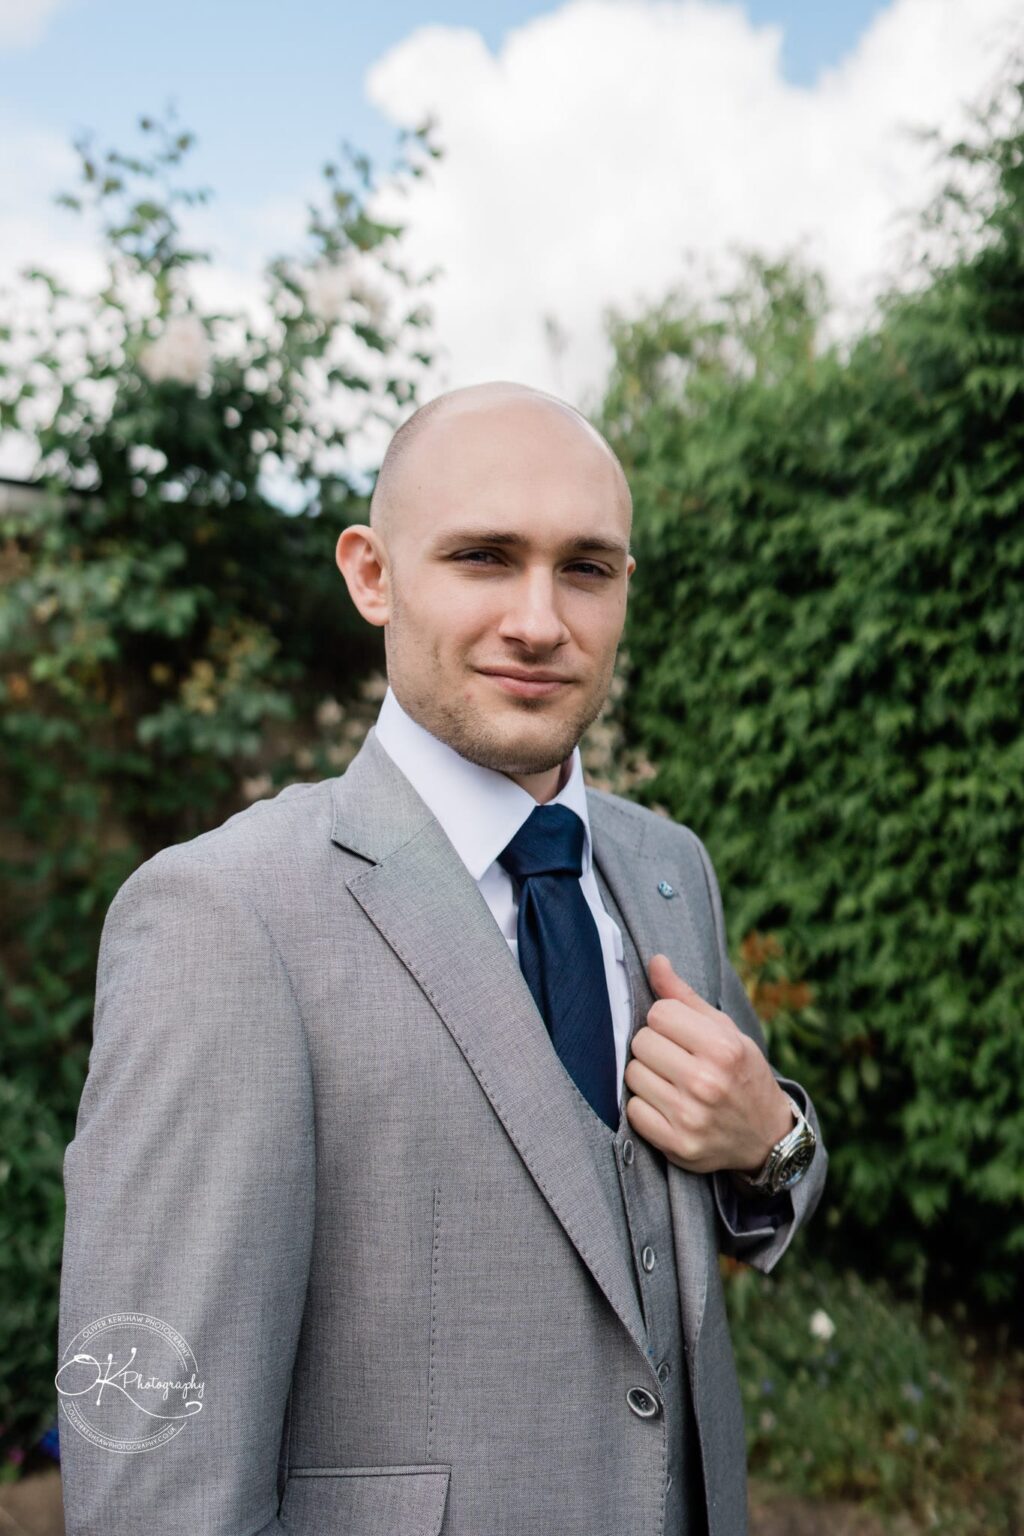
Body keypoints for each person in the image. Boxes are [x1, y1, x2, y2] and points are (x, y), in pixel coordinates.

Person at [58, 380, 827, 1536]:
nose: (538, 620)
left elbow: (741, 1172)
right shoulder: (225, 916)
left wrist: (772, 1140)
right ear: (371, 574)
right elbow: (154, 1478)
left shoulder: (669, 867)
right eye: (481, 557)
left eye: (586, 567)